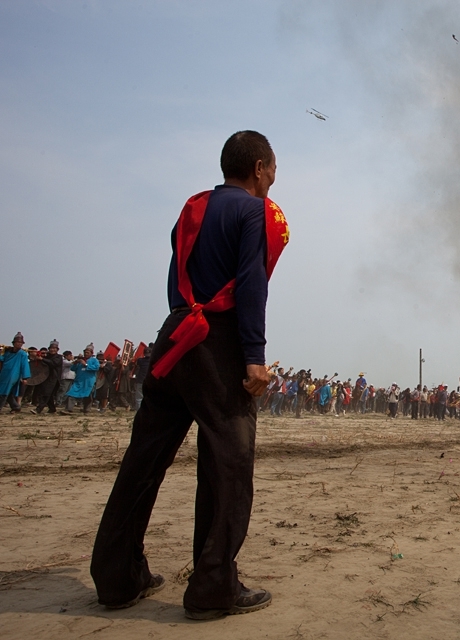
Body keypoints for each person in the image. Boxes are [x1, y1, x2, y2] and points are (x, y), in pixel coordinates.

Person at [90, 131, 289, 620]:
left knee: (144, 459)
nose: (274, 177)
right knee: (229, 463)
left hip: (175, 334)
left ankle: (117, 577)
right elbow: (250, 284)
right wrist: (254, 356)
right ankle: (214, 585)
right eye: (274, 168)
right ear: (260, 168)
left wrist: (181, 325)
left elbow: (175, 277)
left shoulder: (192, 208)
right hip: (216, 344)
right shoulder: (254, 212)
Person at [63, 345, 99, 414]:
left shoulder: (94, 360)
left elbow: (96, 368)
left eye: (88, 352)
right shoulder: (80, 360)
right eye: (85, 352)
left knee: (87, 396)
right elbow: (73, 369)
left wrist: (86, 365)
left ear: (91, 353)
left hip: (88, 381)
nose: (86, 354)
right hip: (79, 381)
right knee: (72, 393)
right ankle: (68, 409)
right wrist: (75, 363)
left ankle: (86, 410)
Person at [0, 332, 31, 412]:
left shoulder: (22, 354)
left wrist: (25, 377)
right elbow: (2, 359)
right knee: (8, 391)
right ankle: (16, 407)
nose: (19, 344)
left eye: (20, 343)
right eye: (17, 342)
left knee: (4, 390)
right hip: (4, 373)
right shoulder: (8, 352)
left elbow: (25, 366)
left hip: (13, 374)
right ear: (14, 343)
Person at [32, 339, 64, 414]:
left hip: (54, 378)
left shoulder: (59, 357)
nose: (52, 350)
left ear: (57, 350)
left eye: (54, 348)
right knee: (48, 394)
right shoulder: (47, 356)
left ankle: (38, 409)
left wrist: (42, 359)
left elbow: (53, 363)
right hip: (46, 377)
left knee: (46, 394)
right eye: (51, 348)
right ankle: (52, 409)